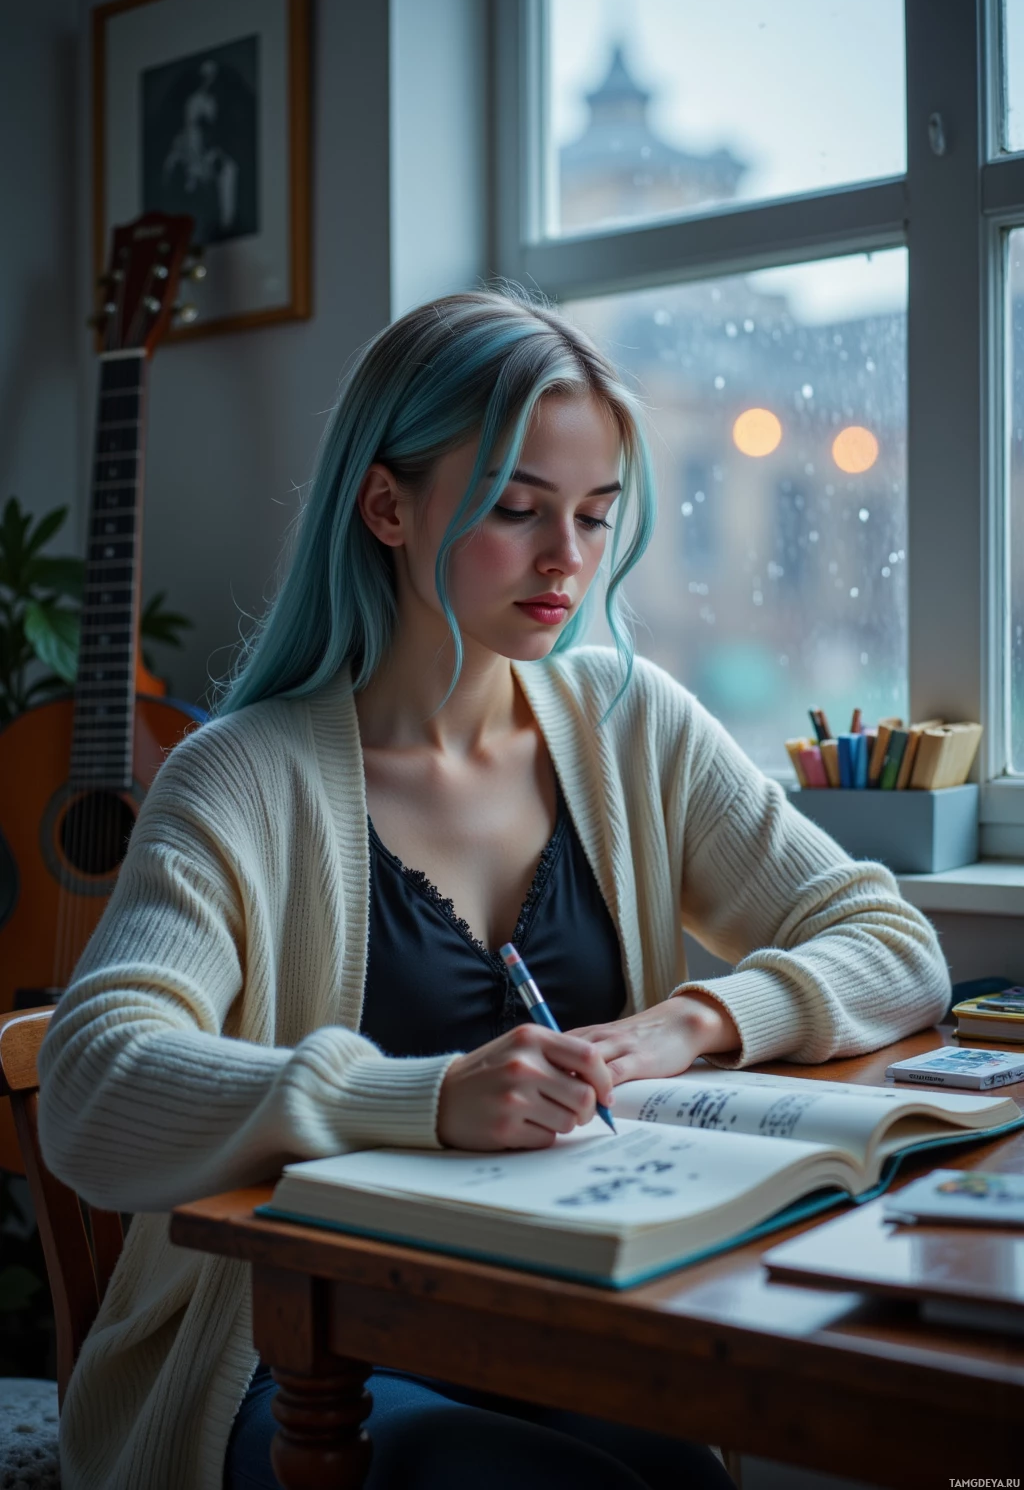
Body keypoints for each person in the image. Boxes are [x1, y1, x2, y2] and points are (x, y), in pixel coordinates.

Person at [38, 291, 949, 1490]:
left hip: (558, 1315)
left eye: (594, 515)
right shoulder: (241, 775)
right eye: (517, 510)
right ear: (385, 507)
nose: (566, 559)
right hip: (286, 1350)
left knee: (683, 1478)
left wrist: (696, 1020)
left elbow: (894, 945)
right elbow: (94, 1089)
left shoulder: (634, 727)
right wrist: (425, 1098)